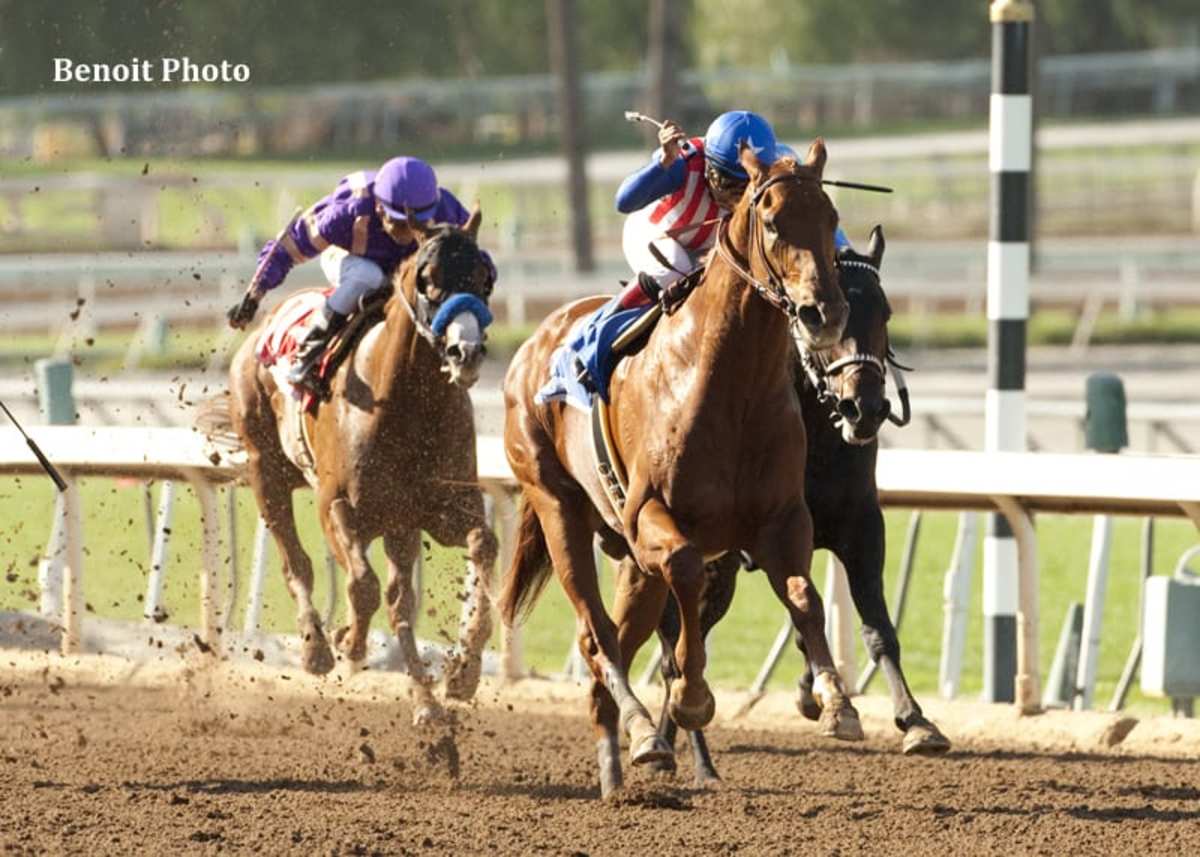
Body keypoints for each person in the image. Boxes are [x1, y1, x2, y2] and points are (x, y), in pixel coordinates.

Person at [225, 156, 489, 390]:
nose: (407, 235)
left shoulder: (446, 210)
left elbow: (478, 264)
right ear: (378, 207)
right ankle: (309, 351)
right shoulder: (347, 212)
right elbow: (287, 249)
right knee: (369, 276)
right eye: (399, 224)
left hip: (404, 269)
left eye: (415, 225)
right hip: (348, 257)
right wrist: (254, 296)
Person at [614, 110, 849, 309]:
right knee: (677, 273)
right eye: (728, 183)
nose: (739, 196)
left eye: (748, 184)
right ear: (709, 165)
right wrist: (663, 162)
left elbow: (813, 219)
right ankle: (601, 327)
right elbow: (624, 202)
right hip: (657, 235)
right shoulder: (682, 162)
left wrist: (845, 251)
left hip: (716, 246)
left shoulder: (780, 165)